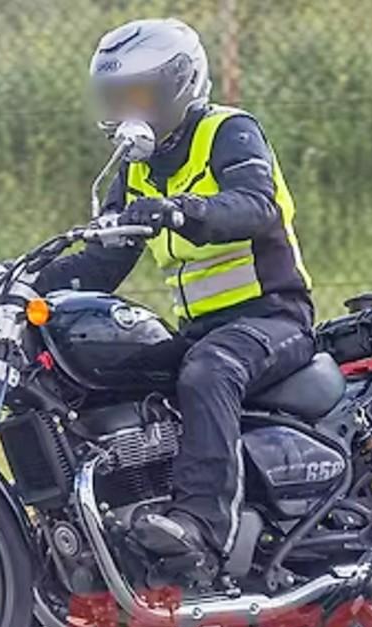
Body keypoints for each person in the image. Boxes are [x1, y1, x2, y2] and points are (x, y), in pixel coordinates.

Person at [35, 18, 315, 586]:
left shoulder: (228, 132)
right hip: (198, 329)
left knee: (209, 372)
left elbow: (257, 203)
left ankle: (202, 531)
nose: (126, 110)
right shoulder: (136, 167)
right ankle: (96, 530)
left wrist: (186, 209)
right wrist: (23, 287)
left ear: (178, 86)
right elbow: (102, 262)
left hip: (272, 316)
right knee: (93, 374)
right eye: (116, 97)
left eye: (138, 95)